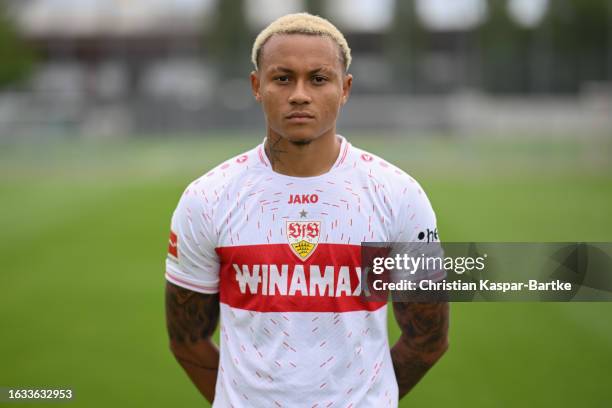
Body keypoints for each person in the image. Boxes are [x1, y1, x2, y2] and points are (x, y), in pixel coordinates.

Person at [165, 12, 449, 407]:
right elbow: (187, 338)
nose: (300, 94)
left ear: (345, 88)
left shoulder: (398, 194)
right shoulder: (208, 197)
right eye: (283, 78)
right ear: (256, 86)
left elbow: (428, 337)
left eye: (318, 78)